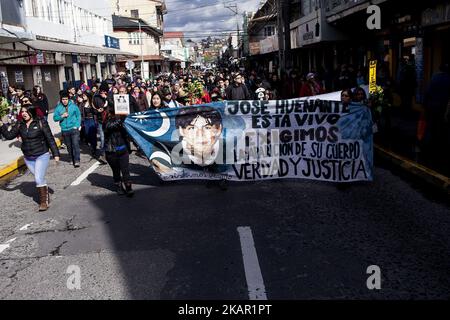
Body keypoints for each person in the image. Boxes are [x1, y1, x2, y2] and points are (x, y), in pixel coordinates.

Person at [0, 105, 60, 211]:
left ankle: (43, 202)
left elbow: (49, 138)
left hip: (42, 154)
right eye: (22, 112)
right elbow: (9, 136)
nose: (23, 113)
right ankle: (45, 193)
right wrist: (1, 125)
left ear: (31, 112)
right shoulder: (20, 124)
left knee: (38, 178)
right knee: (39, 178)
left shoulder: (41, 122)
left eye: (26, 111)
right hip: (28, 157)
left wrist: (56, 154)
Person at [103, 105, 134, 197]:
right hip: (111, 152)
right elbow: (109, 127)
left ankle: (128, 187)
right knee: (116, 171)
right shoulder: (106, 121)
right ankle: (119, 186)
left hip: (123, 150)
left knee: (125, 170)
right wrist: (122, 119)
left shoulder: (123, 120)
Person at [54, 91, 82, 167]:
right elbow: (55, 118)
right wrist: (62, 116)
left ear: (68, 99)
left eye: (66, 99)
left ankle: (77, 160)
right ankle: (71, 158)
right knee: (69, 146)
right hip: (65, 130)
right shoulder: (58, 108)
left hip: (73, 128)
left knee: (75, 144)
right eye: (63, 99)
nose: (64, 101)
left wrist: (77, 125)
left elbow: (78, 116)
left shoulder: (73, 106)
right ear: (61, 100)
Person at [80, 91, 98, 157]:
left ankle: (94, 148)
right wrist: (81, 122)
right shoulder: (82, 104)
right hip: (86, 121)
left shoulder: (92, 103)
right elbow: (81, 113)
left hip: (92, 120)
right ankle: (92, 145)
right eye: (82, 96)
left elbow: (96, 112)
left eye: (84, 96)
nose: (83, 97)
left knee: (93, 135)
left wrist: (94, 107)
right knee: (87, 134)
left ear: (87, 96)